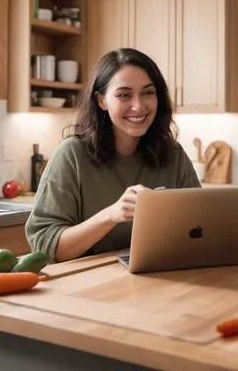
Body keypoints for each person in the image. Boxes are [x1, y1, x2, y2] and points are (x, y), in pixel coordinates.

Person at [25, 48, 201, 263]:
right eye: (123, 95)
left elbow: (201, 229)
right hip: (85, 287)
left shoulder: (173, 155)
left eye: (148, 92)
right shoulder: (71, 155)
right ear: (101, 101)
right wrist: (112, 215)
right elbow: (45, 247)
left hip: (157, 280)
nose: (138, 106)